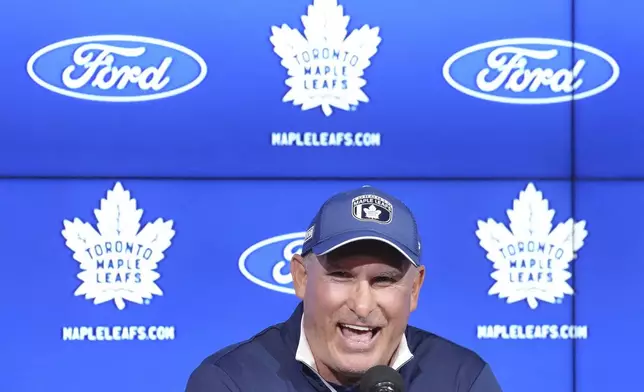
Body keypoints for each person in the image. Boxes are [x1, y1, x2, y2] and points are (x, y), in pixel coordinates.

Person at [185, 186, 503, 392]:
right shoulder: (231, 382)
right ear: (301, 278)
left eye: (384, 280)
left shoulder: (462, 381)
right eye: (340, 275)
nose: (362, 306)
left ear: (415, 289)